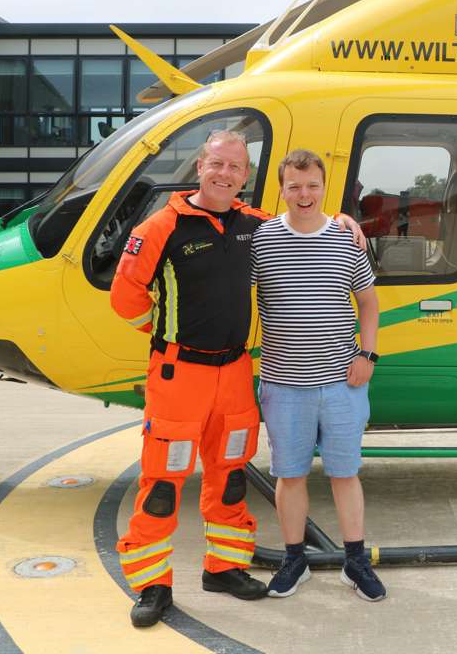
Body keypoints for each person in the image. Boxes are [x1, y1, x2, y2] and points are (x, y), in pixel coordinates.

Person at [109, 130, 364, 627]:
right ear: (200, 166)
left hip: (233, 372)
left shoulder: (256, 225)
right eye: (217, 164)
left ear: (246, 176)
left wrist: (343, 221)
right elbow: (125, 298)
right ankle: (152, 584)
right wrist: (163, 332)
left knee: (228, 478)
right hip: (179, 374)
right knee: (163, 483)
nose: (225, 174)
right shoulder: (161, 226)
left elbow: (304, 219)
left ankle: (223, 567)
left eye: (235, 167)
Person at [252, 149, 386, 602]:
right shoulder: (263, 239)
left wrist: (368, 353)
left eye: (312, 186)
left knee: (345, 473)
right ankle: (295, 559)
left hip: (342, 383)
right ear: (282, 190)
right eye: (294, 186)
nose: (303, 194)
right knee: (290, 476)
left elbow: (368, 302)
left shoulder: (346, 239)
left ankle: (355, 561)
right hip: (284, 383)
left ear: (324, 187)